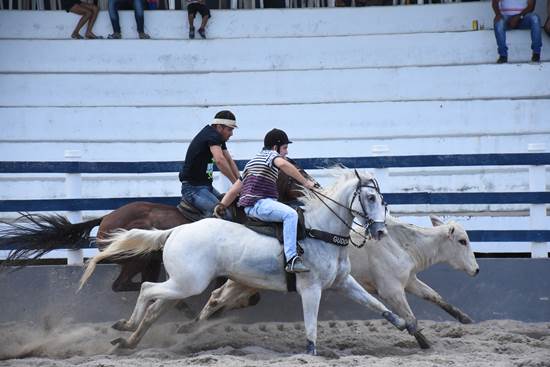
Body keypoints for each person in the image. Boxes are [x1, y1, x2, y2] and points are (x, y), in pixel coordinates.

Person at [213, 129, 316, 274]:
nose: (286, 152)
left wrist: (222, 205)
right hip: (260, 205)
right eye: (285, 148)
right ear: (275, 147)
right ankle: (291, 259)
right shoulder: (271, 155)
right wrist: (306, 183)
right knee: (291, 215)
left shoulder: (253, 162)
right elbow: (284, 165)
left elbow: (234, 190)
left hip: (253, 206)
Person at [179, 110, 240, 217]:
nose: (231, 134)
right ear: (219, 127)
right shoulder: (212, 136)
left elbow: (229, 161)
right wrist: (236, 184)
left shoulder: (218, 138)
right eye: (229, 129)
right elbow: (220, 160)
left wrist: (241, 182)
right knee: (225, 215)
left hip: (206, 187)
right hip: (193, 189)